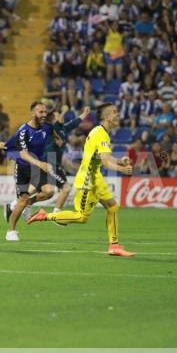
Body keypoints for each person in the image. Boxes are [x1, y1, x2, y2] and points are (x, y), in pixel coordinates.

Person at [27, 103, 135, 257]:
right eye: (114, 112)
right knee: (82, 217)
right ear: (106, 117)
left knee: (112, 207)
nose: (118, 115)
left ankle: (114, 245)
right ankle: (45, 216)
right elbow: (104, 161)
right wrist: (122, 169)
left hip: (95, 176)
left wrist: (119, 161)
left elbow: (102, 156)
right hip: (87, 180)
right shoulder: (100, 133)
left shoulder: (102, 132)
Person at [3, 102, 87, 242]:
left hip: (38, 167)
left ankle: (24, 204)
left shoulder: (47, 127)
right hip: (23, 167)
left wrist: (58, 139)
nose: (43, 115)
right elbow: (23, 154)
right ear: (32, 113)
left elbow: (57, 131)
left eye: (44, 112)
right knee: (22, 201)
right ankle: (11, 230)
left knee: (49, 192)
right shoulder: (24, 131)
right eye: (40, 112)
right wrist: (39, 163)